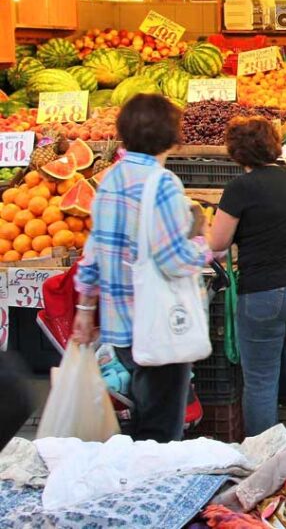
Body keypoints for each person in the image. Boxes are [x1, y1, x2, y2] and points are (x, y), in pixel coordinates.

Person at [72, 94, 209, 443]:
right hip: (157, 325)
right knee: (160, 430)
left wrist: (85, 311)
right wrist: (206, 249)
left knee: (141, 420)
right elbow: (173, 259)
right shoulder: (161, 184)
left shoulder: (109, 180)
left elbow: (92, 253)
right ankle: (157, 492)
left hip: (120, 327)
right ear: (171, 135)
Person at [208, 117, 286, 438]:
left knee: (261, 379)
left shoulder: (239, 189)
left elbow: (217, 244)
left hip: (265, 293)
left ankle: (265, 459)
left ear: (236, 153)